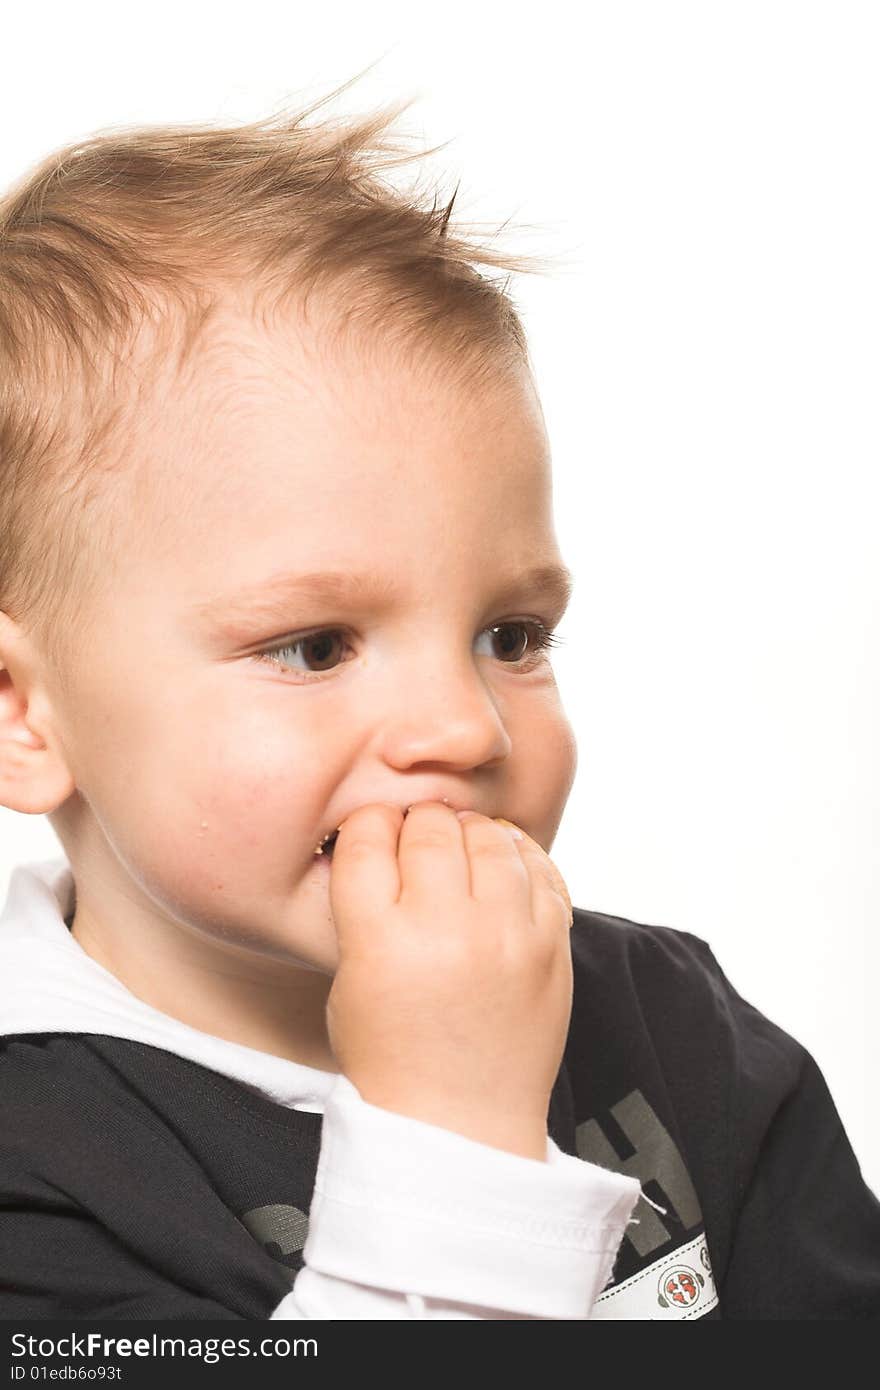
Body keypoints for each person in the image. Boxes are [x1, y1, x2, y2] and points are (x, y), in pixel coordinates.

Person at [0, 74, 878, 1322]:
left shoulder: (669, 1019)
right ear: (21, 713)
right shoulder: (38, 1167)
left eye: (511, 633)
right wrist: (455, 1130)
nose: (467, 729)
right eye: (315, 646)